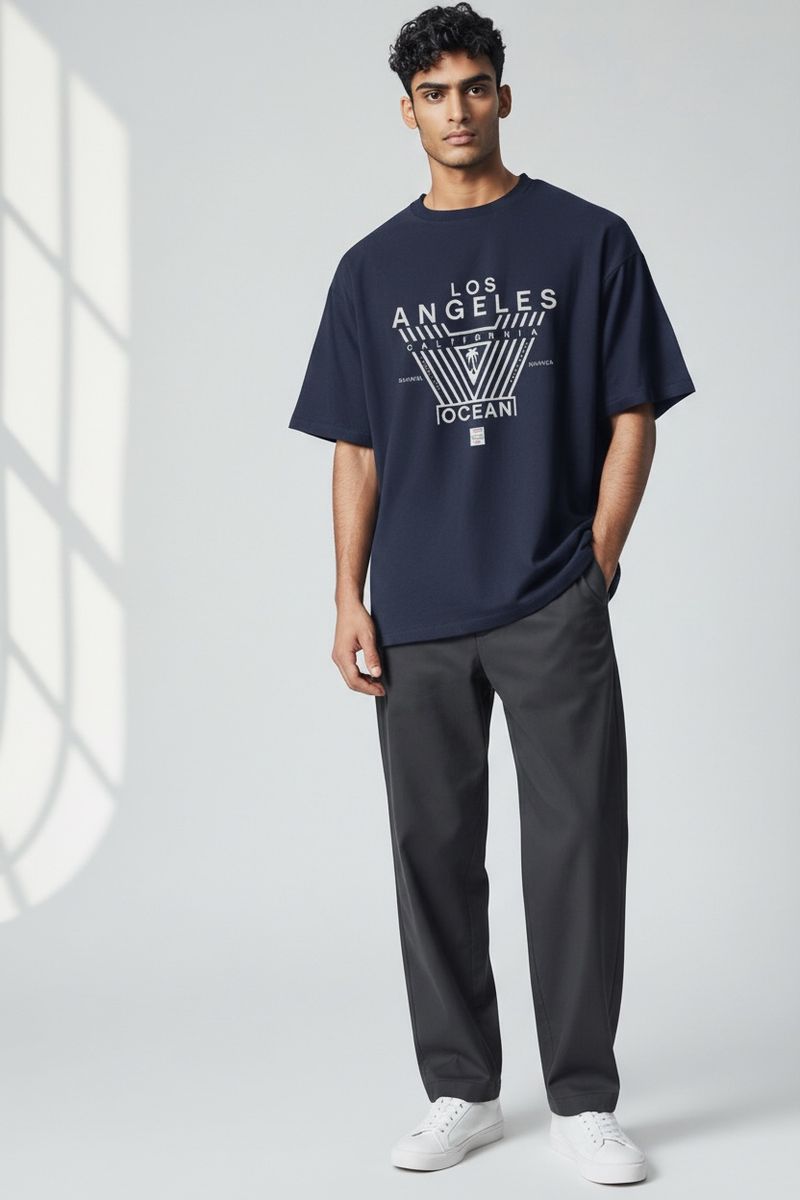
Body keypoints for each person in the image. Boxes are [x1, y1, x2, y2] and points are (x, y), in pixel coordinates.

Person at [288, 2, 695, 1185]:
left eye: (474, 87)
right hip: (414, 608)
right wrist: (346, 597)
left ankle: (581, 1100)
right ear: (405, 111)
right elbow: (354, 447)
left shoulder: (586, 239)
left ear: (503, 97)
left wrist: (597, 558)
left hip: (546, 594)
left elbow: (631, 411)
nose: (456, 110)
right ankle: (461, 1089)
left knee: (577, 845)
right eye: (434, 93)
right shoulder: (369, 269)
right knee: (430, 851)